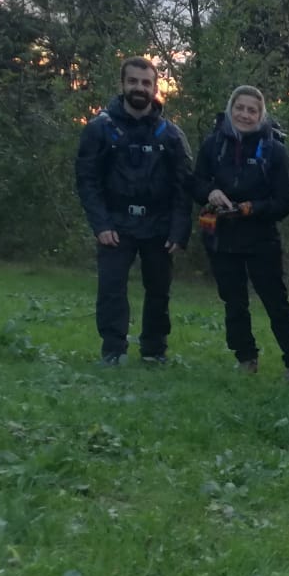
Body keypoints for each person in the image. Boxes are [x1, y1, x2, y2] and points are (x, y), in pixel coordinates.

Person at [75, 56, 194, 366]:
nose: (139, 88)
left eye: (145, 83)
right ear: (123, 84)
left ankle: (154, 351)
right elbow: (87, 181)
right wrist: (101, 224)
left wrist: (179, 231)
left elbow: (184, 187)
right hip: (115, 223)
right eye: (133, 82)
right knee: (111, 289)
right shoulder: (99, 129)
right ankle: (113, 351)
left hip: (159, 225)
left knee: (159, 291)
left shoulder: (171, 135)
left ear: (155, 88)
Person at [191, 84, 289, 379]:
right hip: (221, 237)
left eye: (252, 110)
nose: (245, 114)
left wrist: (252, 208)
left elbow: (284, 202)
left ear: (260, 114)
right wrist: (211, 192)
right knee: (234, 303)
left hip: (261, 238)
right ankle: (245, 357)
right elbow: (195, 183)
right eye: (239, 108)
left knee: (276, 302)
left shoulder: (275, 151)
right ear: (231, 109)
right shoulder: (213, 145)